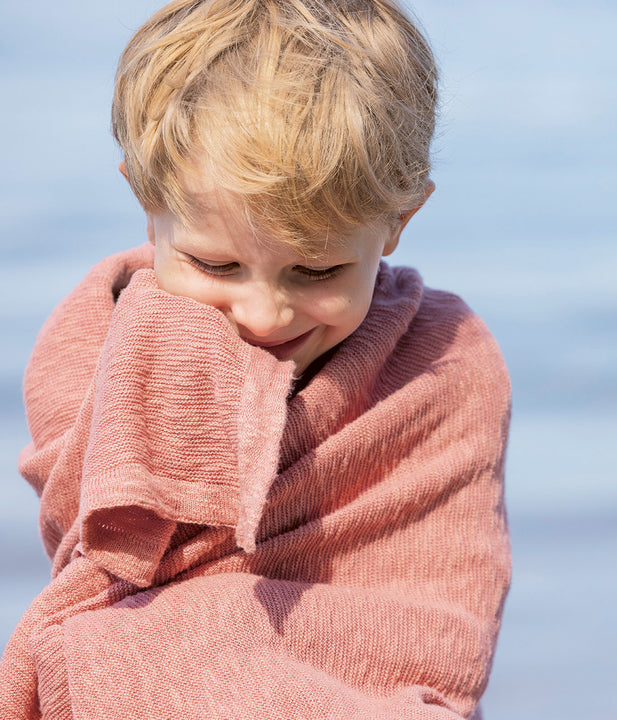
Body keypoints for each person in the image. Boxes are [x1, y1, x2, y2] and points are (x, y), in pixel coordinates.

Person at [0, 0, 511, 717]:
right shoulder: (101, 340)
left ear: (399, 222)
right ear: (149, 204)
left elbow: (436, 614)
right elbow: (105, 574)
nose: (266, 314)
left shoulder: (444, 361)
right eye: (216, 264)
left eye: (318, 272)